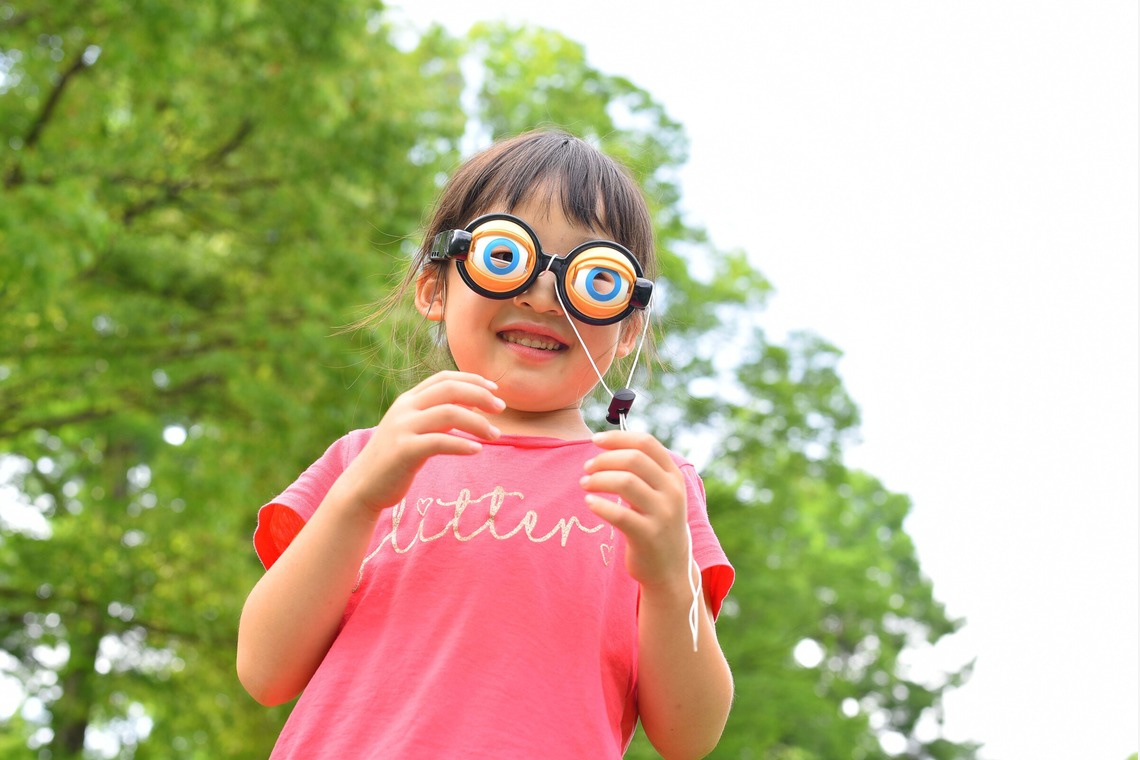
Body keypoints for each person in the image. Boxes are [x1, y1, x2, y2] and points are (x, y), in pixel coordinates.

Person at [236, 129, 736, 759]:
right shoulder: (366, 460)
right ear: (434, 288)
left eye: (593, 279)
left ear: (630, 326)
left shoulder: (647, 489)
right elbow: (264, 669)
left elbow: (688, 737)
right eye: (505, 258)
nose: (543, 296)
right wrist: (358, 500)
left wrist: (669, 579)